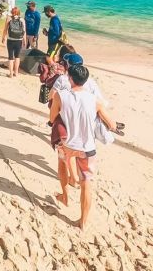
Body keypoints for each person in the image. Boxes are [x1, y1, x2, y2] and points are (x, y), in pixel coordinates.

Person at [49, 64, 121, 229]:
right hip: (87, 148)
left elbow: (53, 118)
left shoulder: (61, 96)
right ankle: (82, 222)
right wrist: (114, 126)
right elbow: (110, 123)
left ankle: (65, 196)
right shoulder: (94, 100)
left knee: (62, 164)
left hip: (66, 144)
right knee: (86, 184)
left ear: (70, 79)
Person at [0, 6, 25, 77]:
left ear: (12, 12)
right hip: (19, 40)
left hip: (10, 40)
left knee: (10, 57)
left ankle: (11, 73)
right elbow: (24, 31)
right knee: (17, 57)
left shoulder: (9, 18)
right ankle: (16, 73)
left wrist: (3, 38)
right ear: (18, 12)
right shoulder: (22, 20)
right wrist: (24, 41)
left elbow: (5, 29)